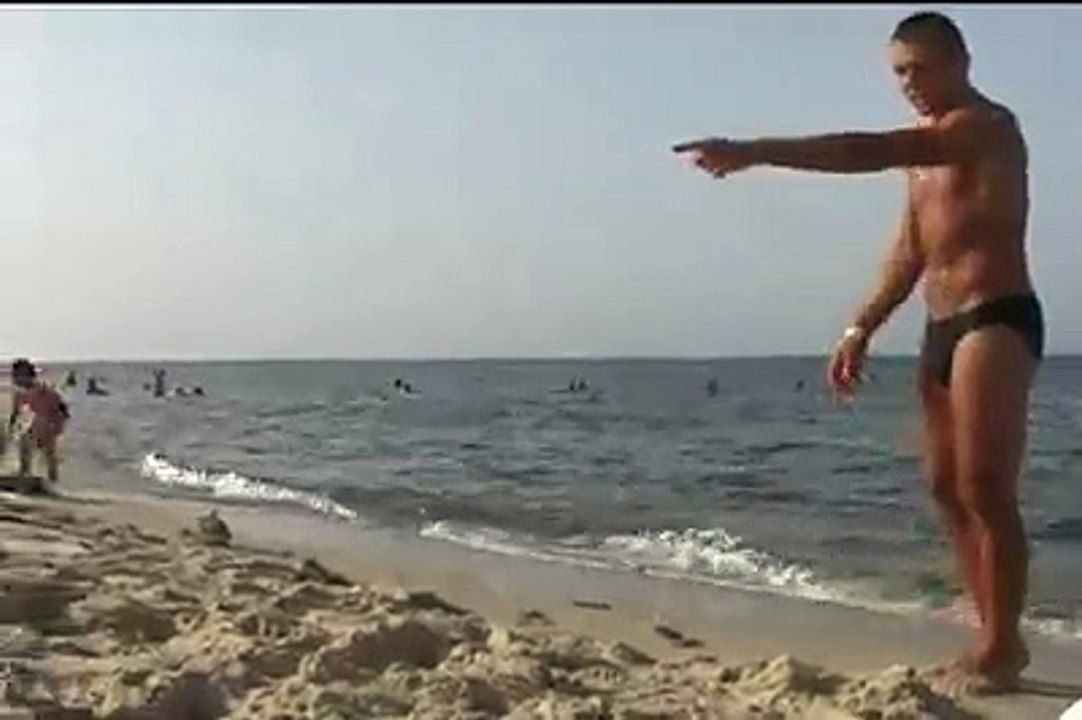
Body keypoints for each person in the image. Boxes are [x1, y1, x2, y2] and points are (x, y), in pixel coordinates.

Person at [674, 11, 1040, 694]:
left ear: (961, 62)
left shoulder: (986, 127)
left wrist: (757, 150)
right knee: (945, 487)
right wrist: (859, 327)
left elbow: (863, 150)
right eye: (900, 71)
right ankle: (996, 636)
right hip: (940, 326)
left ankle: (998, 648)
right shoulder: (925, 155)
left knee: (986, 485)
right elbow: (910, 250)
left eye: (922, 68)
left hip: (995, 316)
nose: (910, 83)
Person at [8, 358, 70, 484]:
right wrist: (12, 425)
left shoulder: (43, 389)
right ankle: (25, 473)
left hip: (50, 424)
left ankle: (53, 481)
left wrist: (59, 420)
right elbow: (16, 412)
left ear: (27, 376)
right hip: (36, 424)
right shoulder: (20, 394)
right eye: (13, 376)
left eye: (16, 376)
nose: (14, 379)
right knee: (24, 443)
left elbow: (61, 406)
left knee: (49, 454)